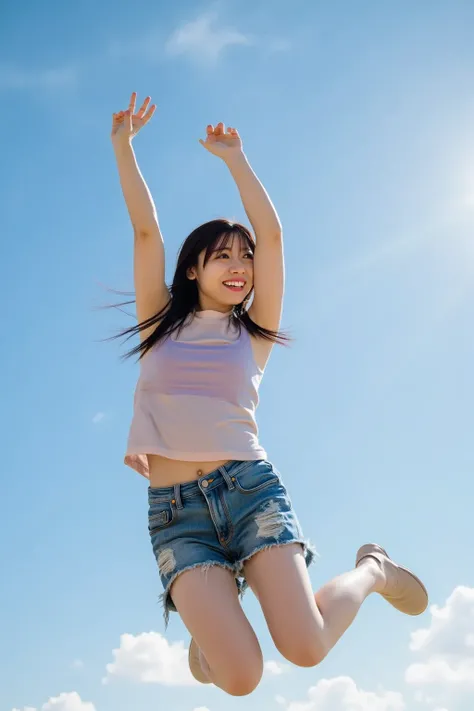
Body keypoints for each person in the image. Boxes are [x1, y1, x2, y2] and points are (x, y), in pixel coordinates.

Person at [110, 92, 429, 697]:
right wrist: (124, 148)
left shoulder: (250, 333)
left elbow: (275, 238)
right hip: (179, 514)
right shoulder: (159, 326)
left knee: (305, 648)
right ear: (191, 270)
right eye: (222, 256)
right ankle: (214, 641)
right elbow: (146, 230)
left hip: (250, 491)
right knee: (240, 679)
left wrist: (236, 159)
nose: (240, 265)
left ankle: (374, 569)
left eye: (244, 258)